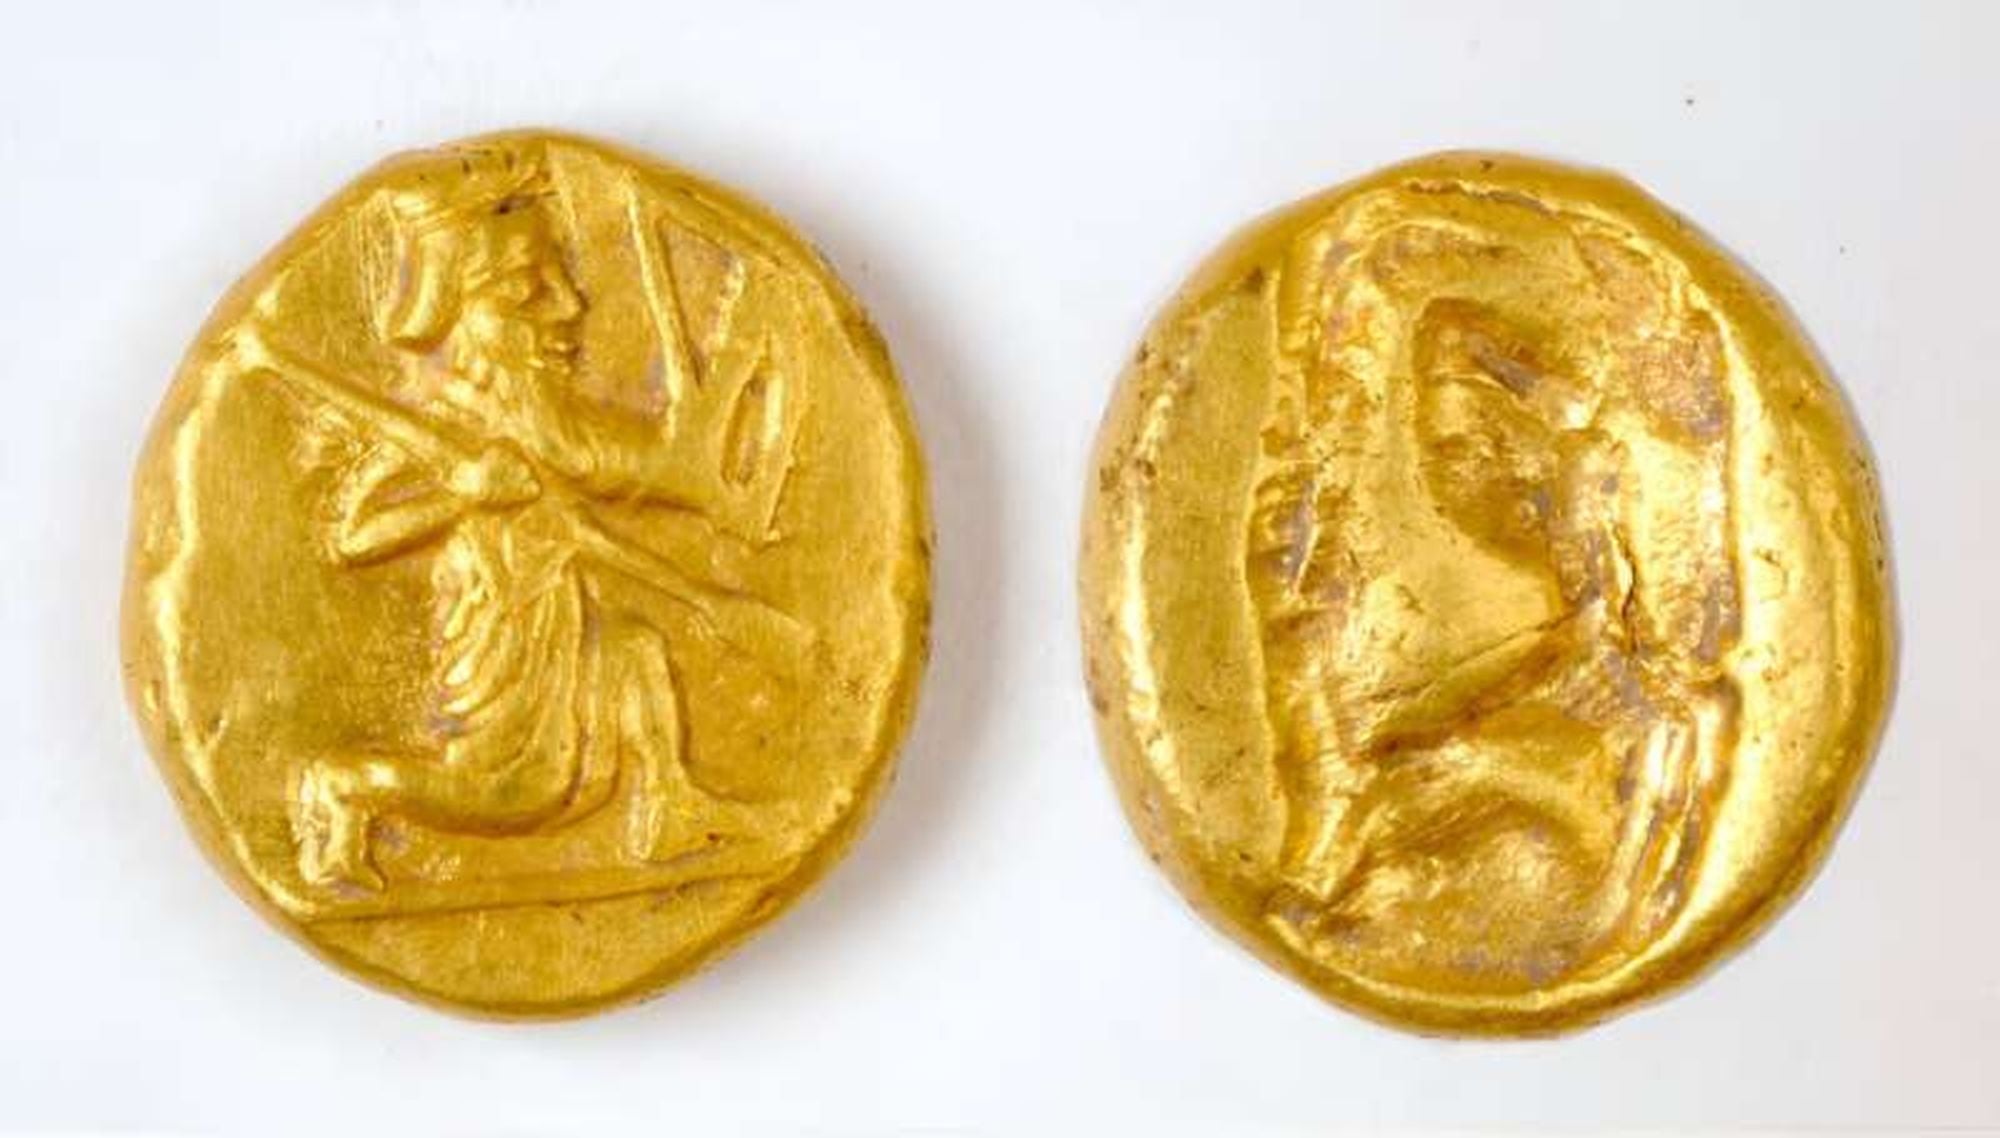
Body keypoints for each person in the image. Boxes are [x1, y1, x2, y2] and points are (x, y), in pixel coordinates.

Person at [256, 148, 784, 892]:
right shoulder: (444, 432)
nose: (568, 305)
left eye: (562, 278)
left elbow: (605, 505)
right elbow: (353, 537)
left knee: (632, 651)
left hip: (559, 618)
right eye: (528, 289)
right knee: (514, 795)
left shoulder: (545, 426)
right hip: (498, 631)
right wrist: (464, 495)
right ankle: (345, 789)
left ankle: (669, 805)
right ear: (465, 315)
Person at [1248, 202, 1742, 980]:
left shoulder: (1622, 702)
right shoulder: (1537, 678)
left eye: (1463, 444)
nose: (1451, 471)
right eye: (1440, 446)